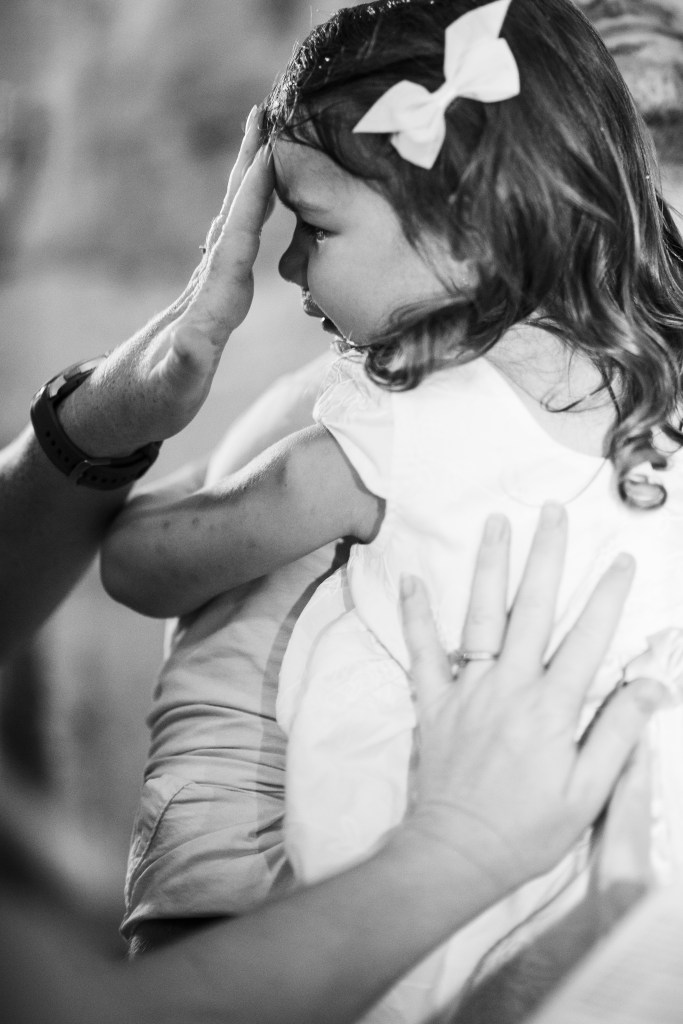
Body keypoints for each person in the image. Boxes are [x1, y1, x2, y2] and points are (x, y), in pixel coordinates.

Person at [0, 84, 666, 1024]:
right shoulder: (654, 395)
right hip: (633, 876)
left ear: (466, 233)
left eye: (314, 225)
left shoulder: (379, 430)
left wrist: (204, 480)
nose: (289, 260)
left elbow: (138, 567)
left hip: (398, 909)